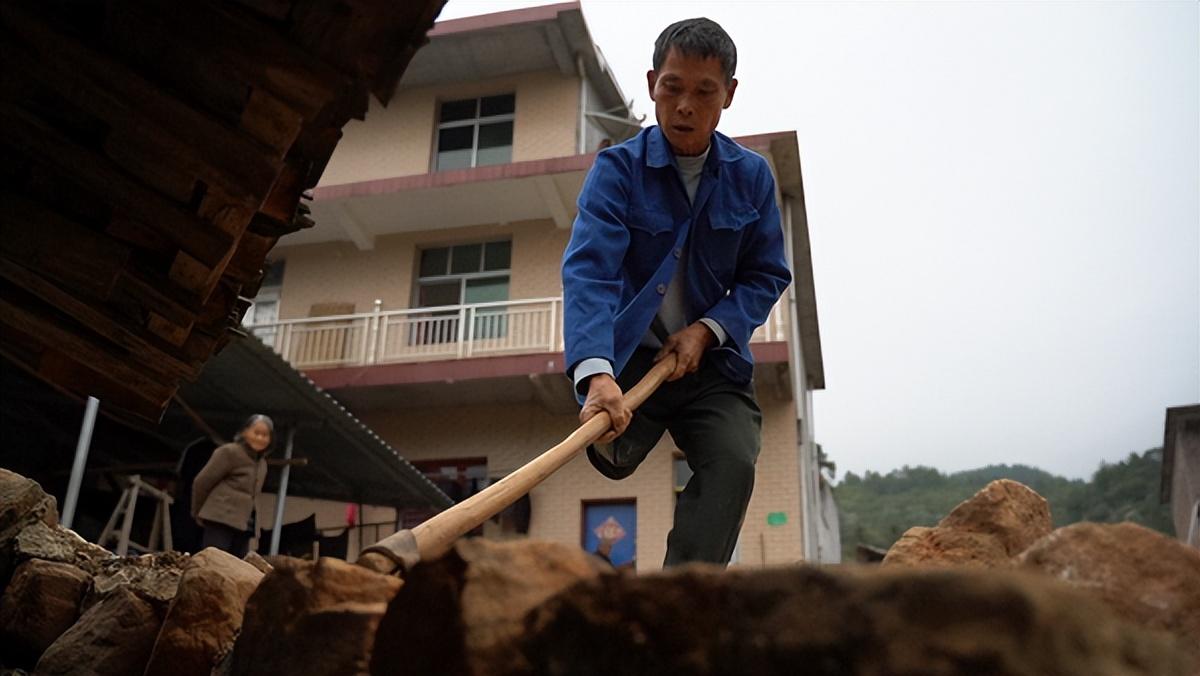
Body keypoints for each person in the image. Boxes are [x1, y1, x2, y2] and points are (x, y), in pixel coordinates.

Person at [562, 18, 791, 567]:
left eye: (704, 91)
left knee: (733, 460)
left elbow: (766, 275)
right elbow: (590, 272)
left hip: (714, 365)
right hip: (633, 363)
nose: (685, 105)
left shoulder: (751, 177)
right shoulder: (616, 172)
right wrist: (596, 373)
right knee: (608, 451)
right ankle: (615, 423)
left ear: (728, 95)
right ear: (651, 84)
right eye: (672, 87)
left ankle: (684, 594)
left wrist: (707, 331)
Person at [190, 414, 272, 557]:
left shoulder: (262, 463)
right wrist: (197, 510)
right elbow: (202, 482)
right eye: (256, 433)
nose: (260, 438)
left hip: (245, 524)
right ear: (245, 432)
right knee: (214, 563)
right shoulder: (230, 452)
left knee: (237, 569)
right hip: (220, 518)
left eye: (265, 435)